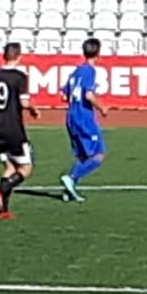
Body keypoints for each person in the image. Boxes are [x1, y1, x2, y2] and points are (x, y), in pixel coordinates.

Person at [0, 42, 36, 220]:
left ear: (3, 56)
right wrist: (33, 109)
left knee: (10, 167)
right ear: (19, 56)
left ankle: (2, 210)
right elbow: (24, 102)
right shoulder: (20, 77)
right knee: (26, 168)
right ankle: (0, 190)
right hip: (14, 129)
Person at [60, 38, 109, 203]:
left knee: (83, 156)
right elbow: (88, 95)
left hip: (71, 117)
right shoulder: (89, 71)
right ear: (98, 53)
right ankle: (71, 177)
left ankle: (69, 191)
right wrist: (102, 107)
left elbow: (64, 95)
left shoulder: (76, 72)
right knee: (98, 154)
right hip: (84, 118)